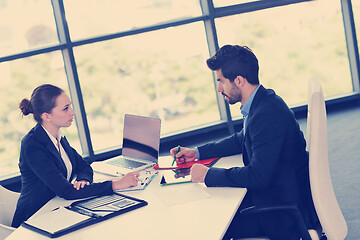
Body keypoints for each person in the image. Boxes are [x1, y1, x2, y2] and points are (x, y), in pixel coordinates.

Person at [170, 45, 319, 239]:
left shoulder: (266, 114)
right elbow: (243, 137)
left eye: (221, 81)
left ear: (239, 80)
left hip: (281, 212)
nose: (218, 88)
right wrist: (197, 152)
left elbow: (258, 176)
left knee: (210, 223)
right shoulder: (263, 102)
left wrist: (208, 175)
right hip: (278, 195)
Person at [12, 84, 139, 228]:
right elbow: (66, 191)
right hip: (35, 219)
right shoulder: (32, 145)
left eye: (70, 106)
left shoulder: (58, 136)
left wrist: (83, 180)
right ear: (47, 116)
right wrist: (117, 184)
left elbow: (83, 166)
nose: (72, 112)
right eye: (65, 109)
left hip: (57, 210)